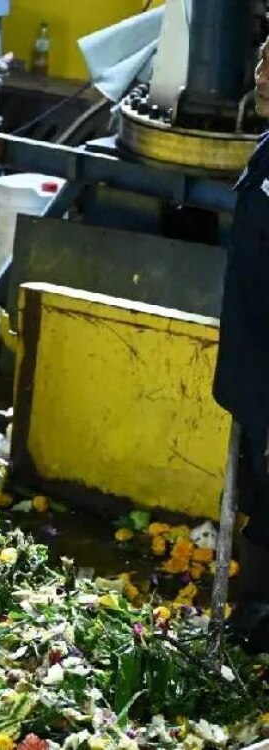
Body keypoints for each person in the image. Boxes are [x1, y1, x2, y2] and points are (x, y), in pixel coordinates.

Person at [213, 36, 269, 654]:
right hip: (255, 378)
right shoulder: (267, 150)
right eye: (260, 57)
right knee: (260, 499)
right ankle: (256, 621)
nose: (260, 72)